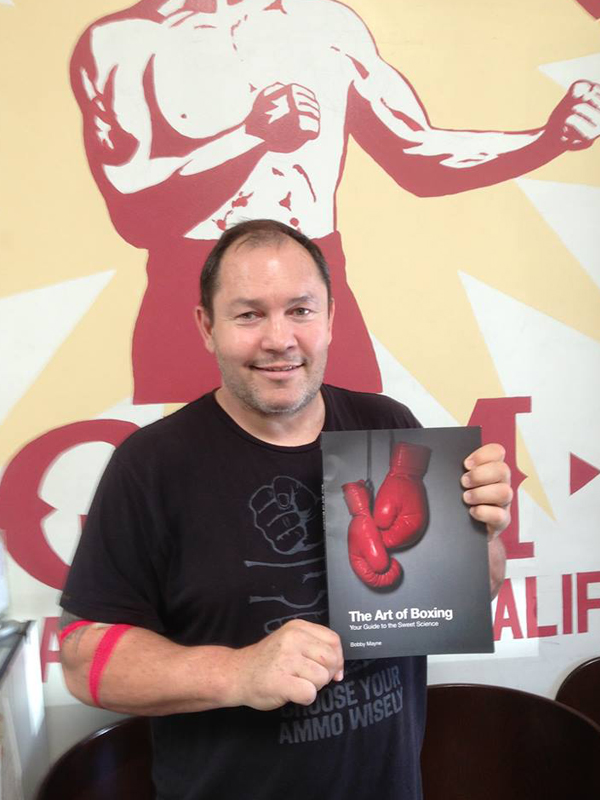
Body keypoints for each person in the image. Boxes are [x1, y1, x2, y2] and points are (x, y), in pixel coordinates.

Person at [60, 219, 510, 800]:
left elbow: (476, 589)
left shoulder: (387, 426)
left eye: (300, 310)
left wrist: (483, 535)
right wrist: (238, 673)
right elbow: (83, 659)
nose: (279, 339)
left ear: (330, 319)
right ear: (207, 327)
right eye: (249, 314)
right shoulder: (151, 464)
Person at [71, 0, 600, 403]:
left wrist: (546, 140)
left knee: (359, 477)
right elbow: (133, 210)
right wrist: (251, 137)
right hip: (190, 289)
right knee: (187, 486)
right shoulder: (123, 39)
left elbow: (417, 156)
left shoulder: (327, 24)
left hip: (318, 279)